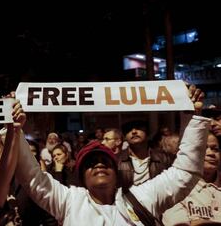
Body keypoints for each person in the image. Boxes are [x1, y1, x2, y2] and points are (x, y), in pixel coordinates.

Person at [14, 85, 210, 225]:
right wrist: (14, 129)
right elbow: (32, 177)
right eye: (91, 162)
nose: (99, 164)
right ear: (82, 176)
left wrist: (192, 116)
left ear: (117, 172)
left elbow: (184, 173)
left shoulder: (141, 198)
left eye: (105, 161)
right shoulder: (69, 201)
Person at [162, 131, 221, 225]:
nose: (211, 153)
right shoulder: (175, 188)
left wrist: (198, 222)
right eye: (203, 148)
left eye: (215, 149)